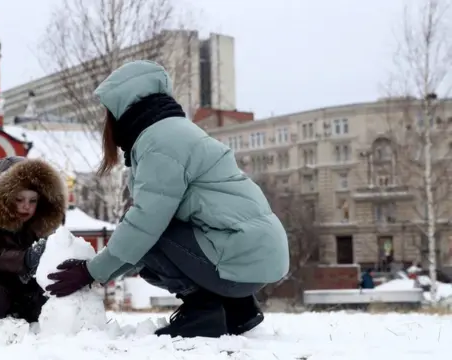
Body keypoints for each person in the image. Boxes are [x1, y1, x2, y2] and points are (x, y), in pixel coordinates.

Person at [45, 60, 290, 338]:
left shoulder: (160, 141)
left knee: (150, 234)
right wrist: (101, 272)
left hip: (241, 255)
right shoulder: (171, 132)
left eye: (108, 112)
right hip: (254, 255)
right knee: (145, 246)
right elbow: (142, 239)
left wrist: (91, 272)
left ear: (121, 107)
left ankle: (203, 312)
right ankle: (238, 309)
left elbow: (146, 224)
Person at [0, 156, 67, 329]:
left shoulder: (42, 224)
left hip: (22, 283)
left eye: (32, 201)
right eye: (19, 199)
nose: (26, 206)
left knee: (47, 298)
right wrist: (25, 259)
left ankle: (26, 319)